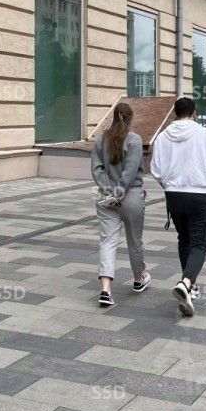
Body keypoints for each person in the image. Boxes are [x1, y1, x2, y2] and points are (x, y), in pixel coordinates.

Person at [150, 97, 206, 318]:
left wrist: (170, 186)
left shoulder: (162, 137)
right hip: (201, 195)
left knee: (184, 239)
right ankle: (186, 282)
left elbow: (156, 171)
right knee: (200, 243)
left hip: (174, 195)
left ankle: (189, 287)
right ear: (194, 113)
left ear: (175, 114)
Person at [91, 102, 149, 308]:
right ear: (130, 118)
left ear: (113, 117)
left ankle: (105, 289)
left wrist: (108, 190)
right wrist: (119, 191)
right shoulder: (134, 140)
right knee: (135, 241)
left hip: (105, 198)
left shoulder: (100, 140)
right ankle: (139, 278)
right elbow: (131, 171)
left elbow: (97, 169)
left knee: (107, 242)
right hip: (130, 196)